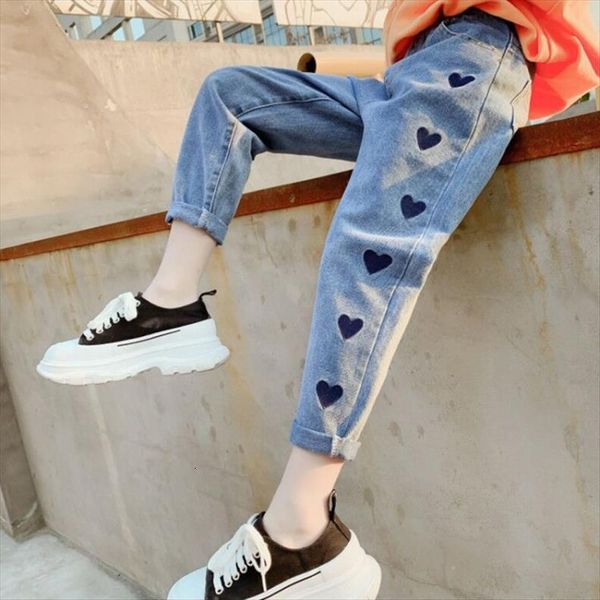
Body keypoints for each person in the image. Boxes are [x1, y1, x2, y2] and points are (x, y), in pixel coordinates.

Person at [36, 2, 599, 599]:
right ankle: (171, 303)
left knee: (367, 248)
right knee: (232, 97)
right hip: (409, 67)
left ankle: (301, 528)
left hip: (476, 52)